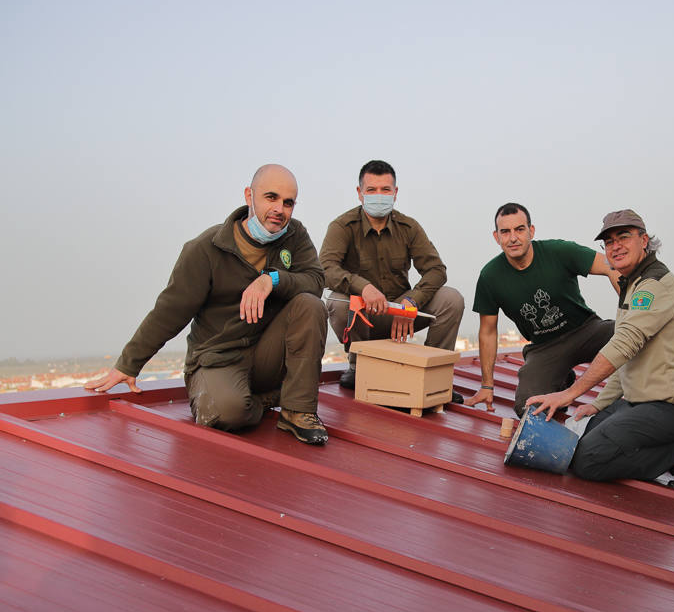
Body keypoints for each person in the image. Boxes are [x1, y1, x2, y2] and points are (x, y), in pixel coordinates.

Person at [86, 164, 330, 446]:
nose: (280, 209)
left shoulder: (295, 235)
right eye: (271, 197)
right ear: (249, 195)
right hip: (218, 357)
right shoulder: (205, 249)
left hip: (265, 353)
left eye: (288, 203)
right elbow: (169, 311)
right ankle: (261, 400)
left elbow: (315, 280)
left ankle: (297, 411)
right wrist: (129, 364)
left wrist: (272, 280)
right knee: (229, 414)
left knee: (310, 305)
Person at [525, 209, 674, 492]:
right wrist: (598, 403)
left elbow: (623, 345)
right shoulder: (632, 284)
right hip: (641, 401)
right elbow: (628, 360)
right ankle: (668, 446)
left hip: (673, 407)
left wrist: (569, 393)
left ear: (644, 240)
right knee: (581, 433)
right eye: (609, 242)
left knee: (587, 461)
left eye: (624, 237)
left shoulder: (654, 285)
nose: (616, 246)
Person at [321, 160, 464, 400]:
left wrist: (410, 302)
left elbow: (436, 270)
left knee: (452, 299)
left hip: (401, 314)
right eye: (372, 190)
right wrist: (362, 287)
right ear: (360, 193)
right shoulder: (342, 226)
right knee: (336, 302)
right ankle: (358, 365)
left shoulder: (408, 227)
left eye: (385, 190)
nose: (379, 196)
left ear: (395, 193)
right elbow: (325, 268)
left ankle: (435, 373)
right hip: (363, 315)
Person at [468, 203, 619, 417]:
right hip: (544, 347)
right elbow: (488, 331)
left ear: (531, 231)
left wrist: (629, 308)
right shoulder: (490, 276)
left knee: (633, 334)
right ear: (496, 236)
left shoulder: (558, 251)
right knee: (528, 408)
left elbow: (610, 266)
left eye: (520, 229)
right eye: (505, 232)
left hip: (586, 330)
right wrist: (487, 385)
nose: (513, 238)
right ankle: (559, 380)